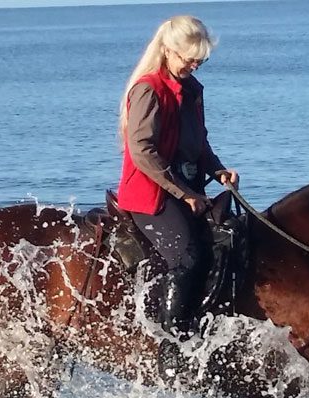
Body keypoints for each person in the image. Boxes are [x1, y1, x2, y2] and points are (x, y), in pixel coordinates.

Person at [116, 15, 239, 345]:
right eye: (190, 59)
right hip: (150, 195)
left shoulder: (191, 89)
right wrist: (184, 193)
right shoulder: (148, 90)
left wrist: (218, 170)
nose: (195, 66)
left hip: (184, 187)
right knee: (187, 258)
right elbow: (142, 151)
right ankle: (172, 341)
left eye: (200, 60)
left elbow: (198, 143)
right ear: (169, 51)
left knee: (230, 241)